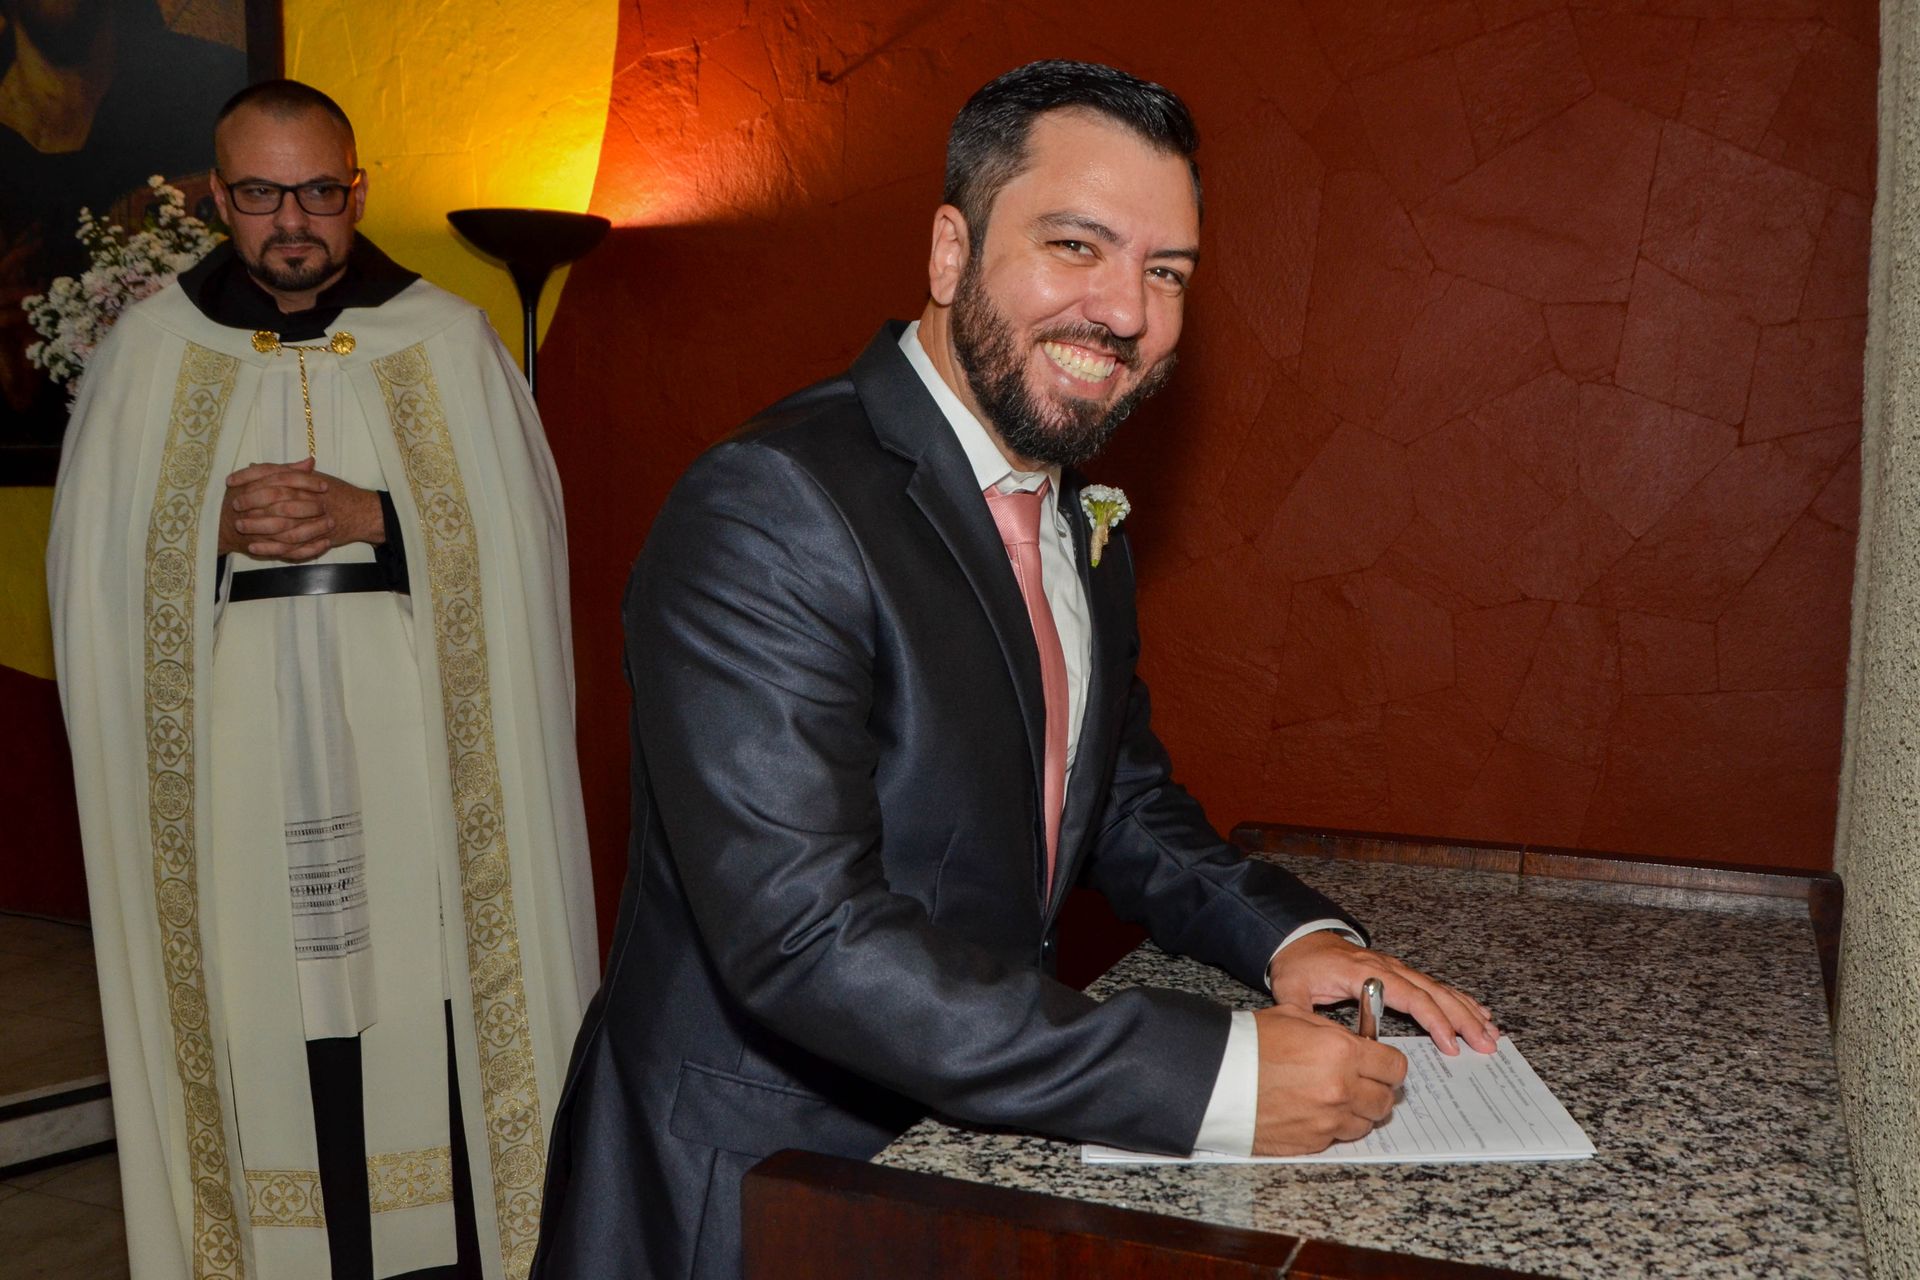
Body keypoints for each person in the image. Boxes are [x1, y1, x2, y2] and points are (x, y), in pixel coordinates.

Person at [531, 60, 1499, 1280]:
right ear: (951, 250)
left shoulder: (1073, 512)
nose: (1127, 312)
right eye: (1078, 245)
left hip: (955, 1166)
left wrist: (1288, 935)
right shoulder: (772, 504)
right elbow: (802, 938)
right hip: (762, 1190)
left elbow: (1116, 801)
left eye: (1167, 273)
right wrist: (1212, 1073)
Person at [47, 80, 598, 1280]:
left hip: (410, 751)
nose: (289, 219)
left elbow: (524, 548)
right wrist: (202, 530)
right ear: (215, 198)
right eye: (259, 193)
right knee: (254, 1001)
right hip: (233, 755)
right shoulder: (151, 352)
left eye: (317, 192)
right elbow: (90, 575)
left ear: (359, 192)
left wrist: (375, 513)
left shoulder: (445, 337)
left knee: (423, 987)